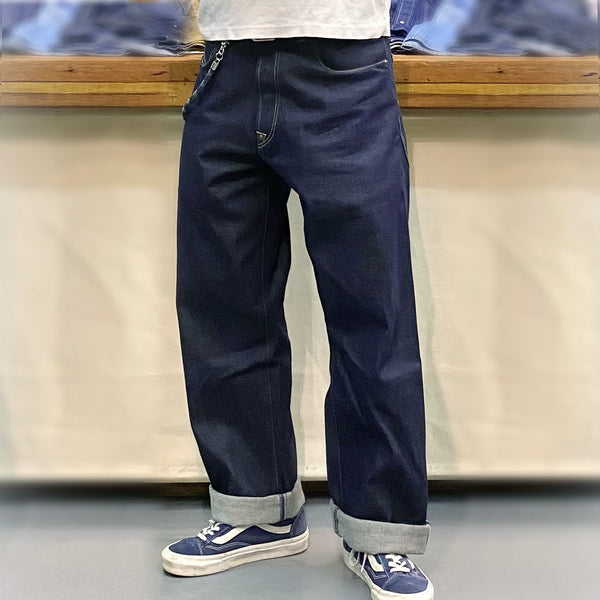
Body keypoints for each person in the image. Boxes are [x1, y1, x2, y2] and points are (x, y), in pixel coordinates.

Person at [162, 2, 434, 598]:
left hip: (346, 65)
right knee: (225, 303)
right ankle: (257, 510)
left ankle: (379, 529)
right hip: (228, 61)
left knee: (372, 313)